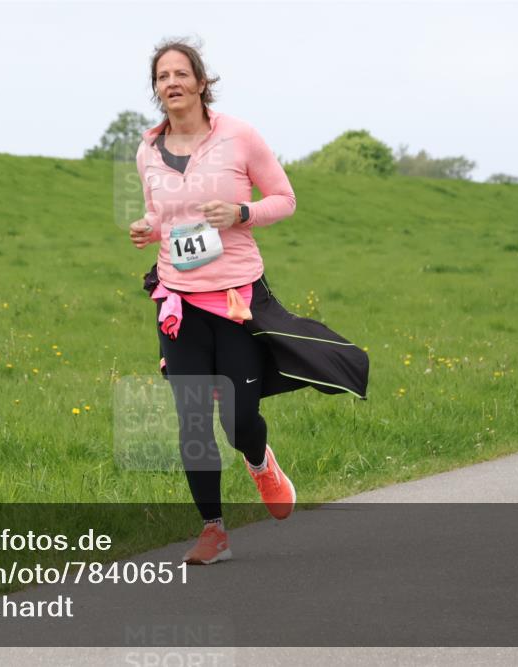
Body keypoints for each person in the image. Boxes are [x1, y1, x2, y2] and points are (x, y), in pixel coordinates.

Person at [128, 39, 369, 565]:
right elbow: (160, 212)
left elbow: (284, 199)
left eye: (180, 74)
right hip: (177, 302)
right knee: (192, 420)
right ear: (156, 89)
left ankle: (260, 463)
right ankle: (213, 531)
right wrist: (150, 227)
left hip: (236, 299)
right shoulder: (147, 149)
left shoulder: (239, 136)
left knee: (238, 419)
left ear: (200, 81)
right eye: (161, 76)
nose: (171, 83)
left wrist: (241, 213)